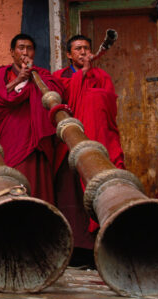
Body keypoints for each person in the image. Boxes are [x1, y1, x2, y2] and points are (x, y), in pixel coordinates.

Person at [52, 34, 124, 266]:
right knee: (71, 199)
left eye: (86, 48)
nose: (83, 52)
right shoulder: (59, 77)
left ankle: (99, 249)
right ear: (69, 54)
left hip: (97, 140)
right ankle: (73, 251)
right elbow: (59, 103)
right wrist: (81, 77)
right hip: (68, 146)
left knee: (99, 193)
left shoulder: (101, 76)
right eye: (78, 49)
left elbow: (108, 106)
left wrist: (90, 91)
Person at [0, 33, 63, 202]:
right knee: (11, 183)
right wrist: (20, 78)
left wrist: (33, 78)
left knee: (38, 186)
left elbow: (55, 95)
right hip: (11, 139)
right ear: (12, 52)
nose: (25, 52)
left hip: (37, 144)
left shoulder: (42, 75)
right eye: (21, 48)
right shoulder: (1, 74)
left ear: (34, 53)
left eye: (29, 48)